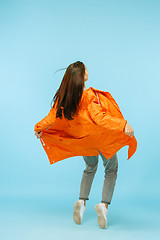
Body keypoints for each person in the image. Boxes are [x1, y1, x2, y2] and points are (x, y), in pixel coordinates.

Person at [34, 61, 135, 229]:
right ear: (81, 76)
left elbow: (51, 118)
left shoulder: (63, 98)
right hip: (100, 138)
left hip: (84, 141)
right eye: (85, 69)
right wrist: (122, 124)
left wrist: (38, 128)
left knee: (90, 168)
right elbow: (100, 118)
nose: (88, 71)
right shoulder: (89, 95)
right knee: (111, 169)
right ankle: (104, 205)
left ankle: (81, 201)